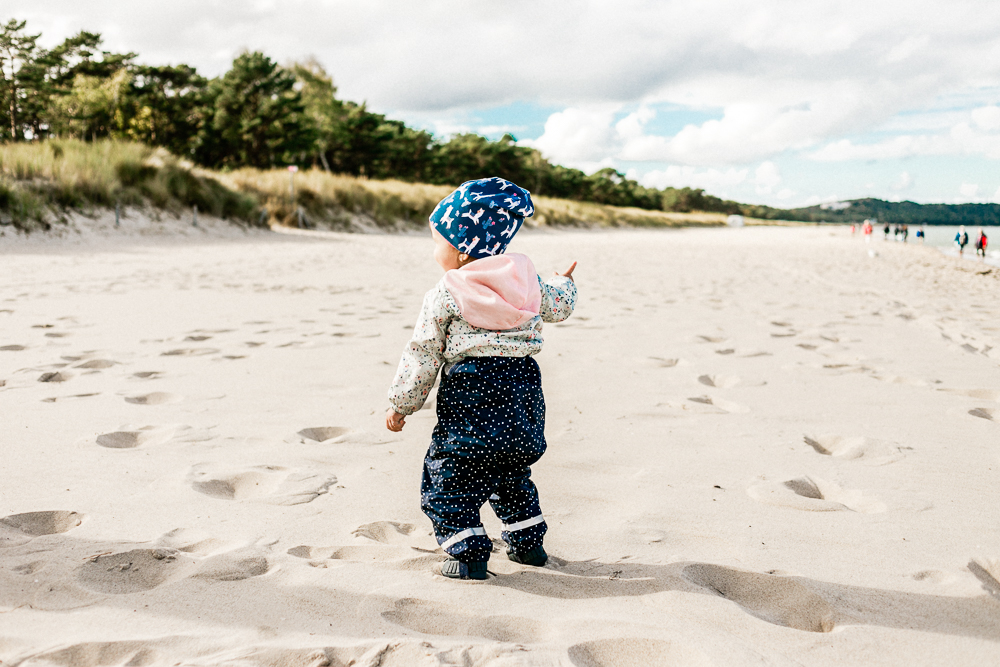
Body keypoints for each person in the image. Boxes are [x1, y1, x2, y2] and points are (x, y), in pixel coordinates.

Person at [385, 177, 577, 581]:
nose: (435, 251)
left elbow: (423, 353)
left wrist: (402, 404)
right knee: (510, 469)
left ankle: (468, 554)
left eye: (437, 242)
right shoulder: (525, 281)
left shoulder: (446, 292)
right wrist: (566, 282)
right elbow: (558, 306)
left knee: (451, 473)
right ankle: (528, 545)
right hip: (523, 394)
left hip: (472, 395)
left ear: (460, 251)